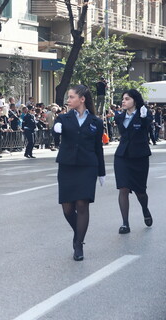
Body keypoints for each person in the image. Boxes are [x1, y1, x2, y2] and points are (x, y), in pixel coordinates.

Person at [53, 85, 105, 261]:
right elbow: (55, 136)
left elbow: (98, 148)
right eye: (68, 97)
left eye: (71, 97)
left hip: (87, 167)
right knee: (67, 208)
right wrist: (56, 128)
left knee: (82, 204)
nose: (68, 100)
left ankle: (78, 244)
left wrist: (101, 172)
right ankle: (79, 231)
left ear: (82, 99)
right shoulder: (62, 118)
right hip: (67, 166)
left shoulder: (96, 122)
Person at [113, 89, 153, 234]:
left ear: (135, 101)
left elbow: (148, 125)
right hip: (122, 156)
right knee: (123, 188)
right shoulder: (119, 116)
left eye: (127, 99)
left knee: (140, 191)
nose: (123, 101)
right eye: (123, 99)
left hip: (139, 157)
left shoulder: (144, 113)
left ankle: (145, 209)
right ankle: (125, 223)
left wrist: (143, 118)